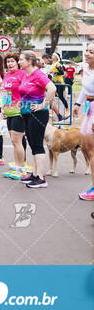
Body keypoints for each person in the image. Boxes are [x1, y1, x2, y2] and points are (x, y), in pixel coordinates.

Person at [19, 50, 56, 188]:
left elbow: (52, 88)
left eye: (21, 59)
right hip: (27, 113)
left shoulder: (38, 74)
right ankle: (35, 174)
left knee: (37, 144)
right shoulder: (26, 74)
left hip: (38, 114)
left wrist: (43, 105)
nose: (19, 62)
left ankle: (41, 178)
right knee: (33, 144)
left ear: (29, 61)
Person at [0, 52, 27, 179]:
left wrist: (22, 108)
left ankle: (22, 169)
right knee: (13, 141)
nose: (10, 64)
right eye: (8, 62)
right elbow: (5, 93)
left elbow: (26, 92)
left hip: (19, 111)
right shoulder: (6, 76)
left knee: (17, 141)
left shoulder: (22, 74)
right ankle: (17, 167)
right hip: (9, 111)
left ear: (18, 63)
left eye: (12, 61)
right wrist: (3, 109)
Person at [73, 43, 94, 200]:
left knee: (92, 150)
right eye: (86, 50)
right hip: (88, 109)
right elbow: (84, 90)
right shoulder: (85, 70)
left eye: (91, 52)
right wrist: (77, 104)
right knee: (85, 147)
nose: (87, 53)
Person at [50, 52, 69, 119]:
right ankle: (50, 110)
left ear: (56, 57)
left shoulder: (58, 64)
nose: (52, 56)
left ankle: (67, 109)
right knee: (51, 96)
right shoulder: (53, 64)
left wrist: (54, 72)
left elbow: (62, 72)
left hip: (59, 82)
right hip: (54, 82)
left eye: (53, 55)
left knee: (60, 96)